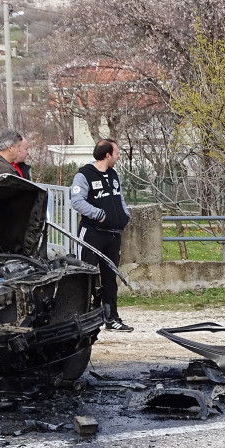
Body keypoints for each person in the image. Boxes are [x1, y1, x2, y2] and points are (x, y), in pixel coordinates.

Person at [70, 138, 133, 332]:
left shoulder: (113, 174)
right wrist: (99, 215)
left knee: (110, 278)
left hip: (113, 236)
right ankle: (81, 318)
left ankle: (111, 318)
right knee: (85, 276)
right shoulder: (84, 175)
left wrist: (124, 215)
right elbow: (77, 201)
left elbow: (119, 197)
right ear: (107, 155)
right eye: (116, 152)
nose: (119, 155)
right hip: (92, 234)